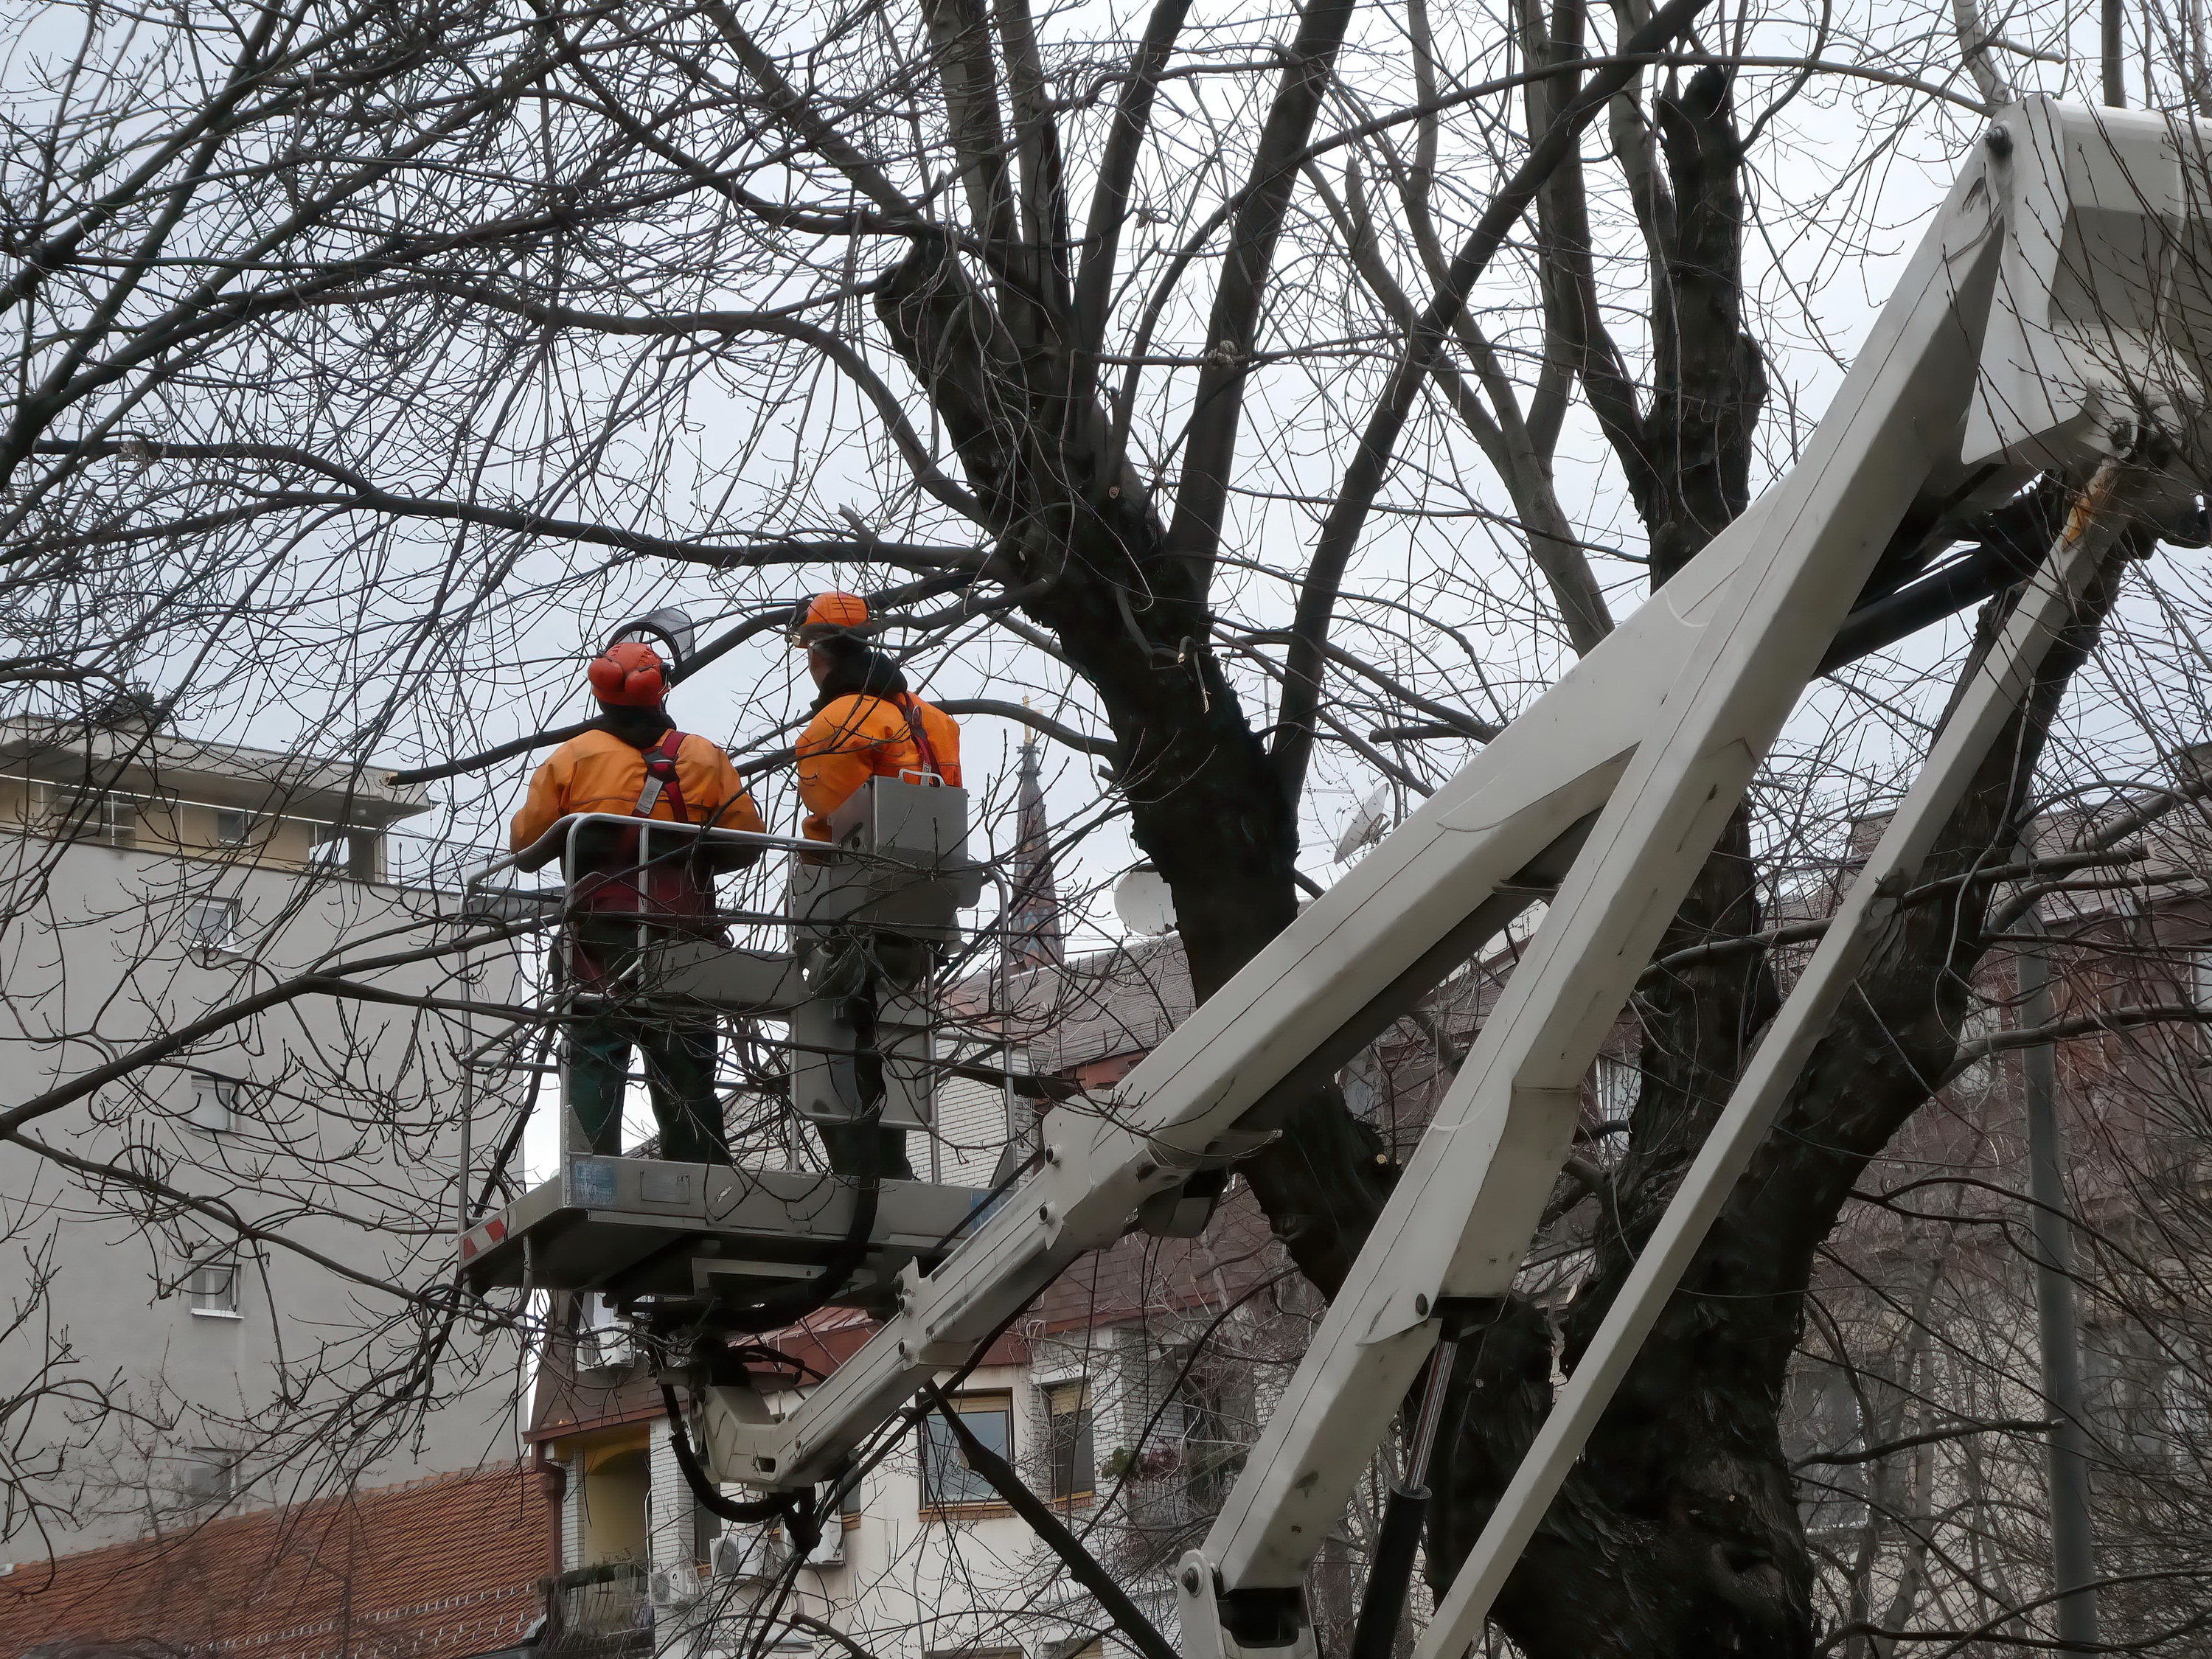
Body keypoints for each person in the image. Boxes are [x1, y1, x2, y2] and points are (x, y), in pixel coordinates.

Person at [511, 640, 765, 1164]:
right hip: (685, 936)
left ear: (599, 694)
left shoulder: (573, 758)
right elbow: (747, 842)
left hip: (597, 939)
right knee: (686, 1066)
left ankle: (593, 1174)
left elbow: (525, 848)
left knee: (595, 1056)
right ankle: (701, 1177)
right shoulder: (703, 757)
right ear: (661, 688)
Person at [792, 591, 962, 840]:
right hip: (943, 866)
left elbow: (828, 833)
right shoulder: (936, 719)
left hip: (865, 874)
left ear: (816, 649)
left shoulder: (834, 724)